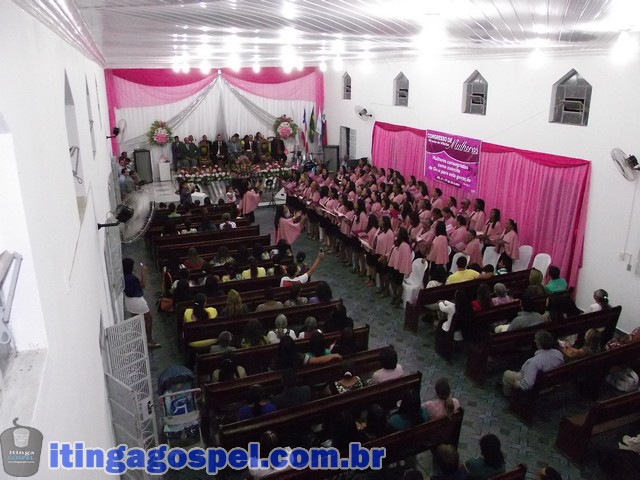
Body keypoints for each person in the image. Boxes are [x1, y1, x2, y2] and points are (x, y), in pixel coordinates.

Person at [502, 330, 564, 397]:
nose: (534, 341)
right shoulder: (559, 354)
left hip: (534, 383)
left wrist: (518, 384)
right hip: (551, 382)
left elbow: (527, 385)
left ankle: (508, 395)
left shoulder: (534, 362)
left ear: (539, 345)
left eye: (536, 340)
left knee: (506, 374)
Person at [122, 258, 160, 348]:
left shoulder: (123, 276)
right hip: (137, 301)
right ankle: (149, 340)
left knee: (136, 320)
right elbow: (142, 285)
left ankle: (139, 339)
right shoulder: (132, 278)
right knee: (148, 319)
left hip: (128, 301)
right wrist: (143, 272)